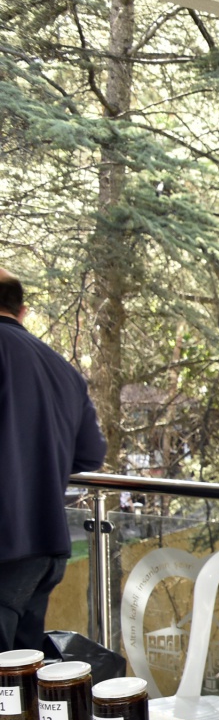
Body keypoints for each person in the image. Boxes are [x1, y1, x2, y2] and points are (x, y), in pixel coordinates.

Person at [0, 269, 107, 651]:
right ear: (23, 311)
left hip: (5, 544)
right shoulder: (63, 370)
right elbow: (91, 454)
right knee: (23, 669)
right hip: (45, 547)